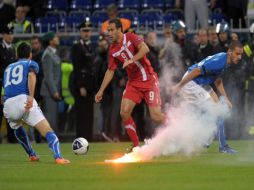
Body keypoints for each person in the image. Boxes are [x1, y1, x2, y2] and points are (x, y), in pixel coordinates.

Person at [95, 18, 166, 150]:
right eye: (107, 30)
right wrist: (101, 91)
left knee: (156, 116)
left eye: (111, 30)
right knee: (124, 113)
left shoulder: (131, 37)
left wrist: (131, 60)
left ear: (119, 29)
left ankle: (175, 125)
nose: (108, 33)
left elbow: (145, 49)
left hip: (149, 80)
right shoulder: (112, 50)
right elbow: (110, 71)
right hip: (133, 83)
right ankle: (135, 145)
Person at [2, 42, 70, 164]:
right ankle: (58, 157)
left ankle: (31, 155)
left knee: (16, 126)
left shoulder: (8, 68)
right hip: (24, 100)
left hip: (8, 104)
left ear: (17, 55)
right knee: (47, 130)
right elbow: (31, 75)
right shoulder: (30, 63)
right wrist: (31, 97)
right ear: (30, 54)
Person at [172, 40, 244, 154]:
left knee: (215, 110)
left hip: (200, 83)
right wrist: (179, 85)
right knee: (216, 112)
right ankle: (219, 145)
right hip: (192, 83)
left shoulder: (226, 62)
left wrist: (226, 99)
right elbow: (196, 71)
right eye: (237, 54)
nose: (239, 57)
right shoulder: (220, 61)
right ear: (230, 52)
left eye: (241, 54)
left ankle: (204, 141)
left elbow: (218, 81)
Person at [71, 19, 96, 141]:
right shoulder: (77, 47)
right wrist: (81, 86)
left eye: (88, 31)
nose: (86, 33)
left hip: (90, 85)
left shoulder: (92, 46)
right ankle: (80, 139)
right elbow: (77, 68)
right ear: (80, 32)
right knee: (81, 114)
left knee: (89, 114)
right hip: (81, 85)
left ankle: (89, 139)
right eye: (84, 31)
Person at [40, 31, 61, 132]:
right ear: (50, 41)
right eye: (55, 37)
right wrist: (54, 91)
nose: (57, 38)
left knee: (54, 118)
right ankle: (49, 140)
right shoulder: (48, 55)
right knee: (51, 118)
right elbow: (48, 76)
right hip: (49, 92)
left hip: (53, 90)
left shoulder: (53, 53)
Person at [0, 23, 17, 143]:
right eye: (8, 34)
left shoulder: (13, 49)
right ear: (3, 35)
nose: (10, 36)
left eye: (12, 34)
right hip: (1, 86)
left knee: (11, 114)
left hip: (11, 88)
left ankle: (12, 140)